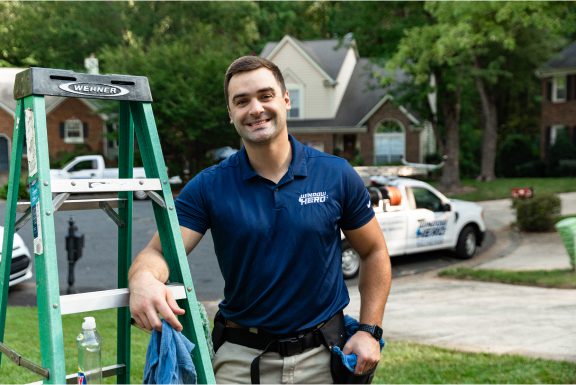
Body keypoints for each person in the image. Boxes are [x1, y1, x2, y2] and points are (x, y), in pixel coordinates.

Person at [128, 56, 392, 384]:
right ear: (230, 114)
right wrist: (142, 281)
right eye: (241, 101)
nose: (255, 109)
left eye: (265, 96)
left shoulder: (335, 174)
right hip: (241, 360)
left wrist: (369, 330)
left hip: (323, 356)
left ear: (285, 100)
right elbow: (158, 252)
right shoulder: (209, 186)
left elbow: (374, 252)